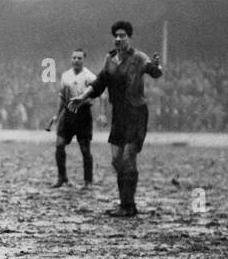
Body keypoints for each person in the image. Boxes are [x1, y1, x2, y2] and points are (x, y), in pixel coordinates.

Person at [69, 21, 163, 217]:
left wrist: (157, 65)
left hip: (136, 112)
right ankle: (125, 204)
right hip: (119, 114)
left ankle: (129, 205)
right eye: (116, 36)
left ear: (129, 37)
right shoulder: (110, 60)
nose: (119, 39)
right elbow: (99, 83)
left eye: (123, 35)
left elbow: (155, 71)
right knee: (116, 160)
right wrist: (82, 97)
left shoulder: (138, 57)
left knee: (129, 157)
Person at [47, 48, 98, 188]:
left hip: (83, 114)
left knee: (85, 149)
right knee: (59, 145)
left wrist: (100, 114)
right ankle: (62, 177)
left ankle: (88, 181)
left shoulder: (90, 77)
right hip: (68, 113)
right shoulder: (65, 76)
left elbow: (98, 95)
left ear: (84, 60)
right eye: (74, 58)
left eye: (79, 58)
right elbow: (62, 96)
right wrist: (57, 114)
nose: (76, 60)